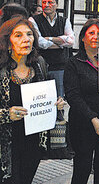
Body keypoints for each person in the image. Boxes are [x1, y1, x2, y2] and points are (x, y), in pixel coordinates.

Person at [0, 17, 65, 183]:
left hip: (33, 143)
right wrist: (7, 114)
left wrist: (57, 104)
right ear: (8, 43)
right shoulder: (1, 70)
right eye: (18, 35)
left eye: (29, 34)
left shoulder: (40, 65)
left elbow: (46, 98)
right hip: (6, 145)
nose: (26, 39)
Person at [64, 18, 99, 184]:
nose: (96, 37)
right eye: (91, 33)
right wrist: (92, 118)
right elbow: (73, 96)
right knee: (82, 169)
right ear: (83, 37)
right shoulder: (73, 63)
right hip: (83, 125)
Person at [30, 0, 74, 100]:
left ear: (57, 5)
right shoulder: (33, 20)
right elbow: (39, 42)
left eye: (50, 2)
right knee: (41, 100)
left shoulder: (64, 21)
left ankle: (59, 117)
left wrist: (49, 38)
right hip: (39, 66)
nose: (46, 5)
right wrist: (61, 43)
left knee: (59, 100)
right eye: (44, 2)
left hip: (59, 67)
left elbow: (71, 41)